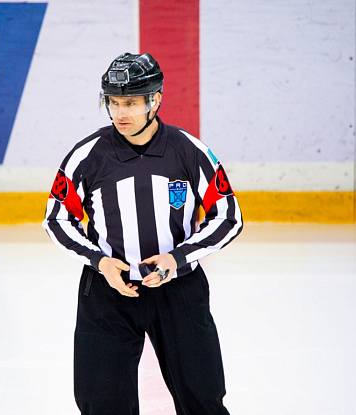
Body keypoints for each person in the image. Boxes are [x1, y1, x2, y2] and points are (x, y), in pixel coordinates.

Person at [42, 52, 243, 415]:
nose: (121, 113)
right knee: (103, 406)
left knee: (203, 401)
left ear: (156, 100)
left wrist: (177, 258)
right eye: (114, 102)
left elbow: (229, 216)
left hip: (179, 292)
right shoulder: (87, 156)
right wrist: (100, 262)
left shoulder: (189, 151)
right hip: (108, 294)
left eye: (132, 103)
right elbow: (57, 219)